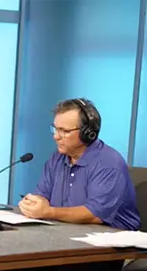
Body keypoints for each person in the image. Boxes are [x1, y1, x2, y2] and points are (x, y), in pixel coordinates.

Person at [19, 98, 140, 231]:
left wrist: (48, 212)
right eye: (55, 129)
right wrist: (35, 203)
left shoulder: (109, 163)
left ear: (87, 133)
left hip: (112, 240)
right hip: (67, 231)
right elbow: (43, 194)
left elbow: (94, 215)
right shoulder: (58, 157)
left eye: (64, 131)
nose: (56, 136)